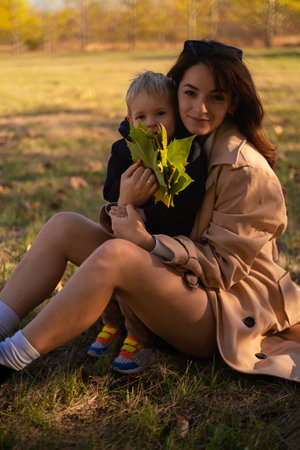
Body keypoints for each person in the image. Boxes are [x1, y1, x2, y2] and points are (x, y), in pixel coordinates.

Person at [1, 39, 300, 386]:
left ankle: (9, 358)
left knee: (118, 254)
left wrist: (148, 243)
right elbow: (139, 121)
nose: (200, 108)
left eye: (216, 97)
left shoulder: (246, 171)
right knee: (63, 224)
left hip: (221, 310)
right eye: (190, 93)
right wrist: (127, 201)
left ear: (233, 101)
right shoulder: (173, 135)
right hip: (176, 279)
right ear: (174, 95)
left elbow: (223, 270)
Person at [87, 70, 207, 374]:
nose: (151, 122)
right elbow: (111, 191)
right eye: (141, 116)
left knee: (126, 270)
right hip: (124, 227)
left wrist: (143, 216)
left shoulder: (186, 152)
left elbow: (185, 206)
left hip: (165, 242)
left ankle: (139, 335)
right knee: (106, 260)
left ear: (176, 114)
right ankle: (113, 321)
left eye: (160, 113)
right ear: (129, 118)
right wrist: (127, 197)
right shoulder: (123, 149)